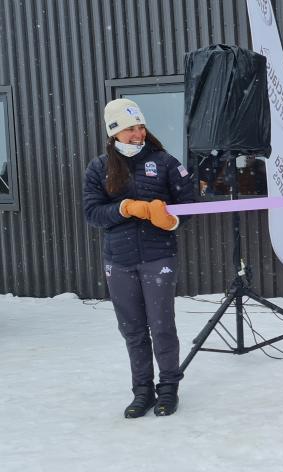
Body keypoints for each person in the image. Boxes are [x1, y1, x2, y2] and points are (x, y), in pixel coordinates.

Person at [83, 98, 194, 418]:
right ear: (114, 132)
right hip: (118, 259)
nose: (138, 134)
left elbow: (187, 204)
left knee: (161, 326)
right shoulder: (99, 168)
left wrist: (170, 221)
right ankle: (142, 391)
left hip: (158, 255)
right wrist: (125, 207)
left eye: (141, 127)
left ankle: (168, 388)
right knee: (132, 329)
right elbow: (92, 214)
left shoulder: (165, 162)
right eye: (130, 128)